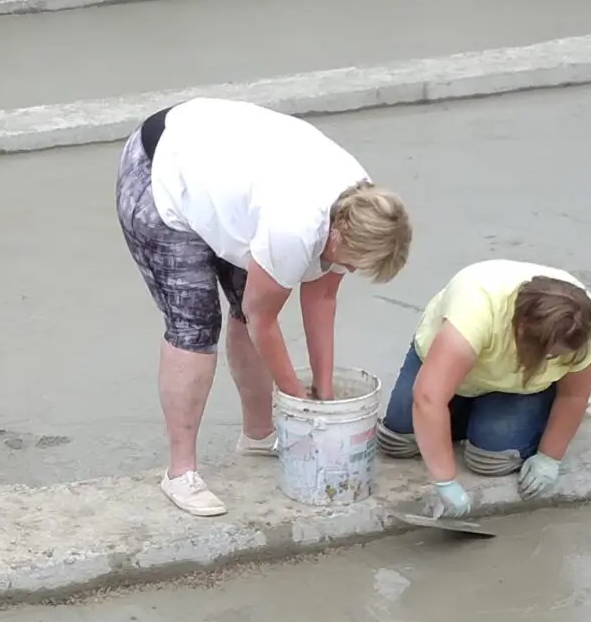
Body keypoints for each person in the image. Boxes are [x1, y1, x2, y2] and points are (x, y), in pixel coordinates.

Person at [114, 97, 412, 517]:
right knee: (195, 325)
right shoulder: (296, 226)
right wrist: (299, 404)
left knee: (241, 303)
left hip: (224, 174)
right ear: (338, 237)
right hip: (161, 169)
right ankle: (180, 473)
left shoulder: (364, 206)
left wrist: (323, 393)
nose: (347, 270)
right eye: (351, 262)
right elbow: (264, 319)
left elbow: (322, 296)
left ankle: (258, 435)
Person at [377, 262, 591, 520]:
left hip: (519, 387)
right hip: (460, 366)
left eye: (557, 357)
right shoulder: (475, 310)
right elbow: (428, 398)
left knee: (490, 460)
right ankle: (467, 411)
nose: (551, 359)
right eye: (549, 354)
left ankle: (523, 411)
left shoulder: (582, 327)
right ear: (521, 332)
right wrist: (445, 480)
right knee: (396, 442)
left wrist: (549, 457)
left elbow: (573, 394)